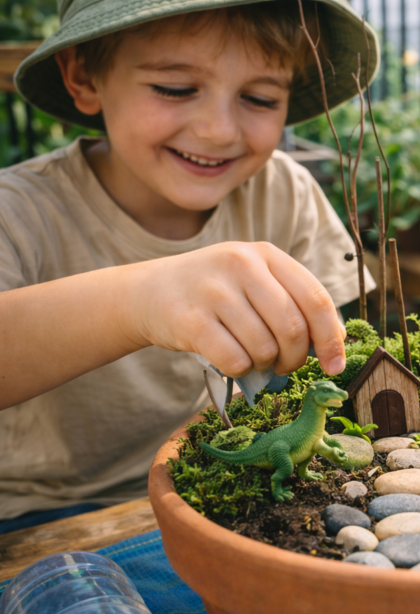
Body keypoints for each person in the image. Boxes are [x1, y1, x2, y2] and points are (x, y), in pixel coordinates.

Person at [0, 0, 377, 530]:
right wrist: (139, 300)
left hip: (213, 486)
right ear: (84, 78)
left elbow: (330, 350)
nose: (220, 130)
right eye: (175, 89)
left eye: (259, 97)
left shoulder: (283, 191)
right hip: (45, 520)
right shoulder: (16, 213)